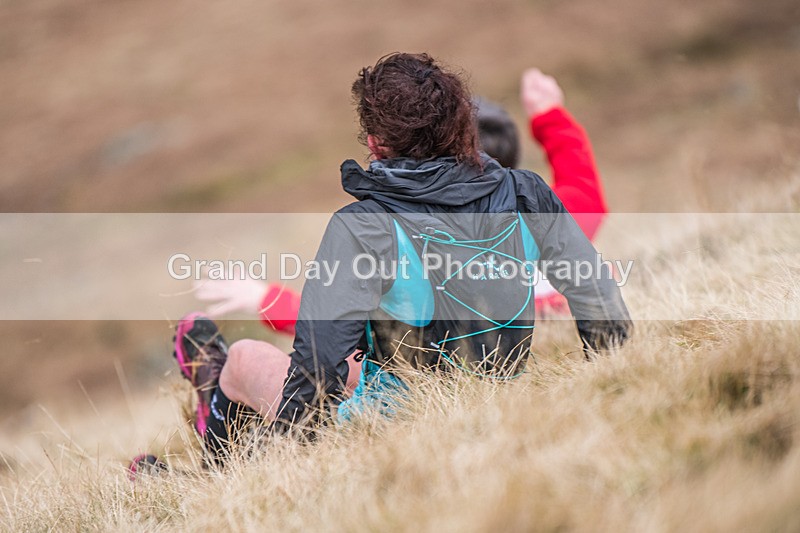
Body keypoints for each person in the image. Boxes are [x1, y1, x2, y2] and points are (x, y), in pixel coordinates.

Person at [162, 53, 630, 466]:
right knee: (358, 367)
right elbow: (598, 295)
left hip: (392, 423)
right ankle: (249, 442)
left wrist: (293, 453)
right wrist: (607, 387)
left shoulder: (364, 225)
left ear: (375, 143)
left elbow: (315, 364)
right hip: (497, 397)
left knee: (245, 359)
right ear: (462, 126)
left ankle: (222, 468)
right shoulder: (526, 191)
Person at [194, 69, 608, 329]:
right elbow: (585, 190)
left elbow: (334, 320)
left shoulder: (415, 237)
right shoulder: (541, 208)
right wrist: (549, 115)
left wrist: (265, 299)